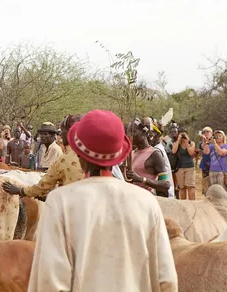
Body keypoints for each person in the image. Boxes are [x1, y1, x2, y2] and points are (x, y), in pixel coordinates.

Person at [28, 110, 178, 292]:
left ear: (80, 155)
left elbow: (48, 281)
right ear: (118, 155)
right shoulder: (146, 202)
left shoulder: (60, 201)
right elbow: (166, 279)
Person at [3, 114, 85, 199]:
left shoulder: (63, 157)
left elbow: (44, 184)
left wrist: (20, 191)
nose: (61, 136)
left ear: (71, 132)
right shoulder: (89, 154)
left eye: (63, 131)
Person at [126, 118, 171, 197]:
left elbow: (166, 184)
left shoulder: (154, 154)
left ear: (143, 132)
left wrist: (141, 179)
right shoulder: (131, 154)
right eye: (129, 132)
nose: (130, 135)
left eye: (133, 132)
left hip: (147, 200)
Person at [146, 118, 176, 198]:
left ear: (158, 135)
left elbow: (162, 180)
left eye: (152, 132)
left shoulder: (157, 150)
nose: (149, 135)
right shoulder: (156, 148)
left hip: (164, 195)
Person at [171, 127, 196, 200]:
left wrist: (187, 142)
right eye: (181, 134)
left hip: (189, 167)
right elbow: (173, 151)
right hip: (180, 167)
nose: (183, 136)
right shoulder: (177, 143)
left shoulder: (191, 143)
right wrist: (178, 140)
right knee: (182, 187)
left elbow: (191, 152)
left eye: (184, 134)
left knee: (190, 186)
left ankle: (192, 203)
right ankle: (184, 203)